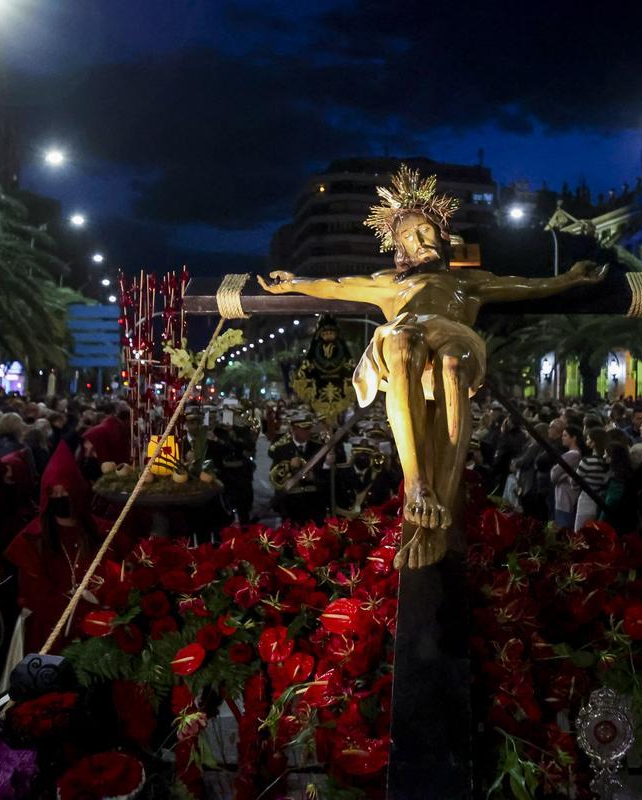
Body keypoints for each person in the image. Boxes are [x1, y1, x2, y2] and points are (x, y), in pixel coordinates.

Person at [258, 164, 605, 568]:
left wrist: (568, 279)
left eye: (425, 231)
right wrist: (295, 283)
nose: (420, 240)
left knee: (455, 366)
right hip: (406, 333)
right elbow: (336, 286)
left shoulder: (466, 282)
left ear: (441, 234)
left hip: (454, 335)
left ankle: (440, 497)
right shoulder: (391, 282)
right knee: (402, 341)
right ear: (398, 246)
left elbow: (525, 285)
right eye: (408, 236)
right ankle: (418, 486)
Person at [5, 442, 115, 655]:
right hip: (49, 634)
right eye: (52, 493)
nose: (59, 498)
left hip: (100, 633)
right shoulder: (31, 540)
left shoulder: (104, 533)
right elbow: (32, 594)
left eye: (64, 491)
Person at [269, 412, 326, 524]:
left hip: (313, 503)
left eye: (309, 428)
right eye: (303, 428)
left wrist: (314, 477)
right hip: (290, 504)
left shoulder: (319, 449)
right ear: (294, 429)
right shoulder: (281, 450)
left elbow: (325, 476)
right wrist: (289, 466)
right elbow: (275, 478)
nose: (307, 431)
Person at [573, 426, 609, 530]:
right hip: (601, 502)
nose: (586, 441)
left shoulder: (587, 462)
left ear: (593, 443)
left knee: (580, 531)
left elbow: (574, 482)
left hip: (586, 500)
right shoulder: (607, 462)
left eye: (588, 439)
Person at [551, 425, 584, 529]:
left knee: (563, 529)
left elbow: (554, 474)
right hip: (564, 497)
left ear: (574, 438)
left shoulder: (573, 455)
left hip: (566, 498)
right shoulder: (573, 454)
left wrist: (559, 476)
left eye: (565, 435)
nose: (562, 437)